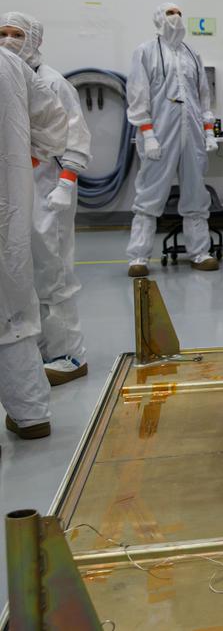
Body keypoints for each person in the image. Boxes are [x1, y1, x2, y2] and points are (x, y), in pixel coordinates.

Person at [1, 13, 92, 385]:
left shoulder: (52, 82)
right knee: (24, 270)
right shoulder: (7, 79)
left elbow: (76, 135)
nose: (8, 41)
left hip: (49, 186)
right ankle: (40, 347)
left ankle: (70, 353)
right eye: (2, 33)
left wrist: (66, 182)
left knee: (53, 270)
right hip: (18, 189)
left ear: (34, 39)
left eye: (17, 34)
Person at [0, 43, 69, 439]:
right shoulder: (10, 63)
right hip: (8, 204)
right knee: (11, 305)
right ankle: (31, 415)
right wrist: (20, 162)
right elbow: (52, 122)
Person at [125, 3, 218, 277]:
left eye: (178, 13)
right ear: (158, 18)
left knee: (195, 192)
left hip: (192, 134)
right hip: (159, 135)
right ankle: (139, 257)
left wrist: (209, 131)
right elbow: (137, 96)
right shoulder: (145, 52)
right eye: (169, 13)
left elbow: (203, 96)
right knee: (149, 194)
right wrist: (148, 134)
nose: (175, 18)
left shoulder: (192, 54)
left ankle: (200, 252)